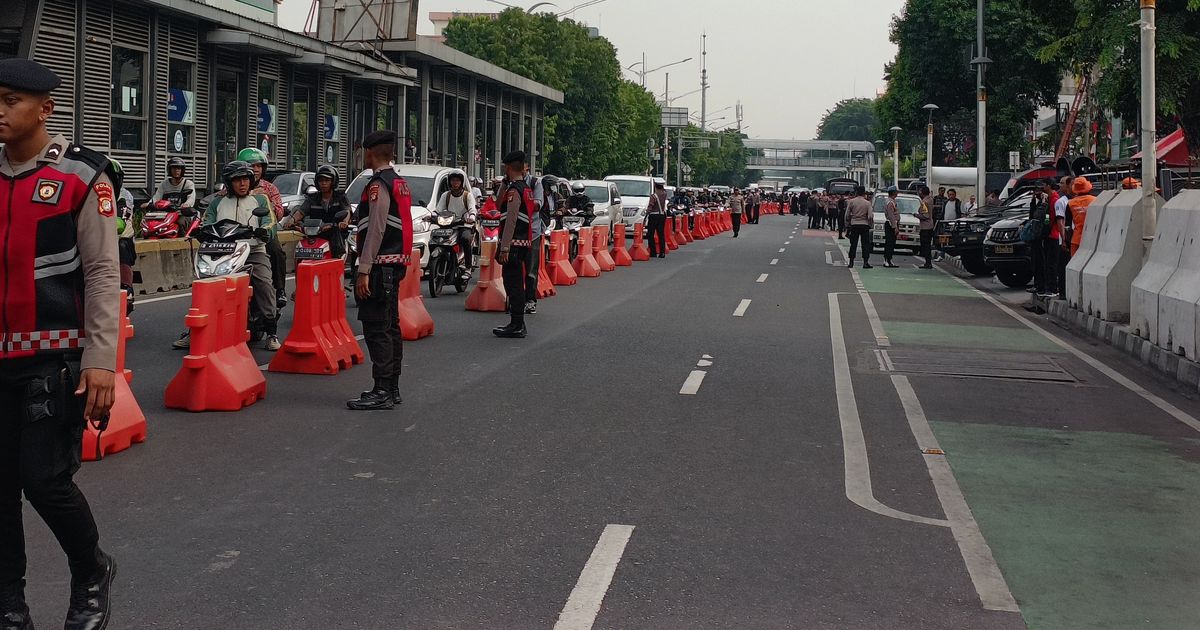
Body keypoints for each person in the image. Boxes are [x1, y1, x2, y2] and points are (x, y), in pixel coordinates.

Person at [0, 57, 119, 630]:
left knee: (44, 482)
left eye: (9, 101)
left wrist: (102, 363)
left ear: (45, 109)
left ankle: (91, 573)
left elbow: (101, 275)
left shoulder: (84, 177)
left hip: (54, 358)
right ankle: (10, 605)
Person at [349, 130, 412, 409]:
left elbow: (376, 227)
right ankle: (392, 386)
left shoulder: (378, 184)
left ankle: (382, 390)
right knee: (390, 326)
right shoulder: (399, 182)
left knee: (377, 328)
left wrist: (363, 269)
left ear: (371, 152)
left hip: (379, 265)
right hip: (393, 264)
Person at [191, 161, 280, 350]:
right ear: (229, 182)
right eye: (237, 180)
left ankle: (272, 331)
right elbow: (207, 223)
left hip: (253, 252)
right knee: (204, 283)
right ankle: (194, 330)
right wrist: (199, 232)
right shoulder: (217, 202)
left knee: (264, 283)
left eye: (246, 179)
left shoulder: (261, 200)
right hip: (222, 252)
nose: (242, 184)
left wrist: (264, 231)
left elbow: (270, 223)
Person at [237, 148, 289, 309]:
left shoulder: (270, 189)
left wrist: (266, 201)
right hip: (237, 234)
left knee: (276, 251)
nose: (256, 169)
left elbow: (279, 213)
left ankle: (280, 290)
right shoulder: (233, 186)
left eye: (259, 166)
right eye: (252, 165)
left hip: (262, 233)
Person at [494, 151, 536, 338]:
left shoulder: (515, 191)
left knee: (514, 284)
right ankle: (516, 322)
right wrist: (504, 182)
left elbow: (510, 220)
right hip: (522, 242)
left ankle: (517, 323)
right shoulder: (525, 188)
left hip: (513, 243)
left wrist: (504, 247)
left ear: (509, 167)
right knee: (515, 282)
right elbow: (497, 203)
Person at [281, 164, 351, 258]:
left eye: (327, 180)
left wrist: (344, 222)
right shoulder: (312, 198)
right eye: (321, 180)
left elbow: (347, 211)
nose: (324, 183)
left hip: (336, 238)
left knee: (337, 256)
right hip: (314, 236)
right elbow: (301, 212)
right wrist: (291, 221)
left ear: (333, 182)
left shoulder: (340, 197)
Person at [434, 172, 478, 279]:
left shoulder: (467, 195)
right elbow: (438, 209)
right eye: (453, 180)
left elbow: (473, 209)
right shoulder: (446, 195)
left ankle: (467, 267)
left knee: (465, 239)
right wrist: (432, 215)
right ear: (450, 182)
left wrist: (471, 217)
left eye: (457, 181)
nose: (455, 183)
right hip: (449, 225)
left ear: (461, 182)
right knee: (435, 238)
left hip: (464, 225)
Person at [845, 185, 874, 269]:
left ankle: (851, 262)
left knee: (853, 244)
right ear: (864, 193)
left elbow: (847, 215)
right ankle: (865, 262)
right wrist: (870, 225)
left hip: (854, 224)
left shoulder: (851, 202)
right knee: (865, 244)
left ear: (856, 192)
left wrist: (847, 225)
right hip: (864, 225)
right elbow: (870, 216)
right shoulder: (867, 203)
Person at [646, 181, 669, 257]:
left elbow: (650, 206)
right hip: (662, 215)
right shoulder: (664, 195)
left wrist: (646, 214)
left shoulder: (653, 196)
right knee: (661, 234)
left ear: (655, 187)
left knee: (650, 234)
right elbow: (664, 191)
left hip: (653, 216)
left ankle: (653, 252)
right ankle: (662, 252)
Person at [917, 186, 935, 269]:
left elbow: (925, 215)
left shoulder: (924, 202)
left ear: (922, 192)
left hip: (925, 227)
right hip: (930, 225)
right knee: (927, 245)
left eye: (920, 191)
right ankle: (928, 262)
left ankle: (928, 263)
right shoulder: (930, 200)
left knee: (925, 246)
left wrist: (916, 215)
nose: (919, 193)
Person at [883, 186, 901, 268]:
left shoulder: (892, 201)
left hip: (893, 224)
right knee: (889, 242)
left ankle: (889, 259)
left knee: (892, 242)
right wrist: (895, 227)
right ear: (893, 192)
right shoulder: (890, 203)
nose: (897, 193)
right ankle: (887, 259)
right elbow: (891, 216)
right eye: (896, 191)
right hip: (891, 224)